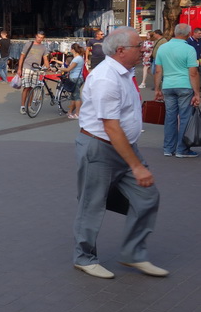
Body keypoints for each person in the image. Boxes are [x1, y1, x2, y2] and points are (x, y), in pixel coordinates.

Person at [73, 26, 167, 279]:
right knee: (92, 205)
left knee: (147, 197)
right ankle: (84, 257)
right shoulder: (106, 77)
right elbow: (111, 126)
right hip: (99, 148)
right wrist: (136, 166)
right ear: (122, 50)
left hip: (123, 147)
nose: (144, 50)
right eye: (139, 46)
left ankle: (133, 254)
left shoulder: (126, 72)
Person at [154, 23, 201, 158]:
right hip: (184, 85)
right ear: (188, 34)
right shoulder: (189, 49)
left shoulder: (163, 48)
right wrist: (197, 93)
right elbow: (193, 73)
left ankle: (168, 148)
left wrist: (157, 89)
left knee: (170, 117)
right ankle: (182, 149)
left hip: (168, 86)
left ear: (174, 32)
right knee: (185, 117)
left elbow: (158, 71)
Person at [17, 32, 50, 114]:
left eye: (41, 38)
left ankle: (29, 106)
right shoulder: (29, 44)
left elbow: (45, 59)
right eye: (38, 37)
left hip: (37, 69)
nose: (39, 39)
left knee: (32, 88)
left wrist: (48, 67)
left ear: (43, 38)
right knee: (26, 87)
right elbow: (22, 56)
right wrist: (19, 69)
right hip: (27, 68)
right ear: (36, 36)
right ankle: (22, 106)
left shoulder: (43, 47)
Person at [52, 43, 86, 119]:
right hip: (77, 77)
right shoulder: (80, 58)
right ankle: (70, 112)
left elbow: (68, 69)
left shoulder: (77, 59)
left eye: (71, 49)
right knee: (73, 96)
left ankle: (78, 113)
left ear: (73, 49)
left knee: (76, 96)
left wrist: (58, 68)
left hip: (75, 78)